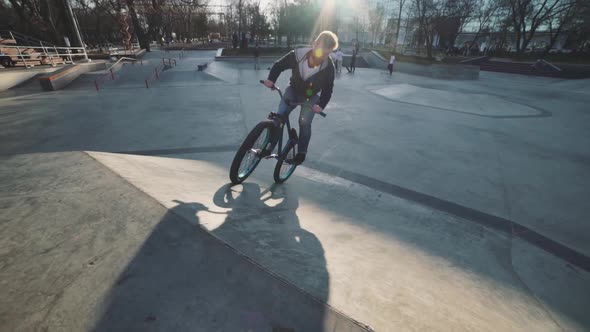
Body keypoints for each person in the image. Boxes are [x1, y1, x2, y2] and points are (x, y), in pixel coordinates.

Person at [262, 30, 338, 165]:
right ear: (314, 44)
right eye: (321, 51)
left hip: (311, 97)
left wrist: (321, 105)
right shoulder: (298, 55)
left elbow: (328, 88)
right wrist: (271, 79)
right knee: (279, 117)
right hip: (293, 89)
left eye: (327, 53)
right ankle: (268, 146)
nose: (322, 56)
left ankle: (301, 152)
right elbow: (279, 65)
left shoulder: (328, 67)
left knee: (304, 122)